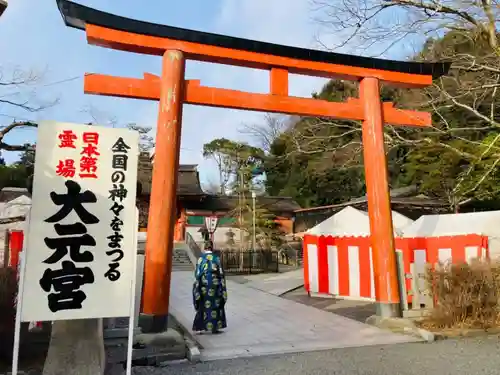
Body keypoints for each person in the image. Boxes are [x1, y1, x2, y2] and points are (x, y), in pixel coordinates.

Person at [192, 241, 228, 334]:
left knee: (202, 304)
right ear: (212, 248)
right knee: (215, 305)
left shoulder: (201, 259)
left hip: (204, 285)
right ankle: (214, 328)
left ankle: (200, 328)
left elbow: (197, 273)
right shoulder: (216, 258)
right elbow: (220, 272)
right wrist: (222, 285)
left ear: (205, 248)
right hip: (215, 285)